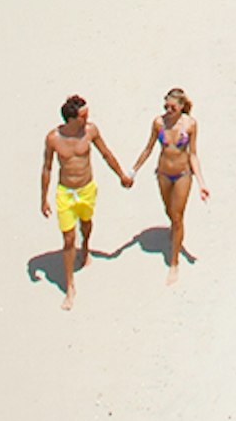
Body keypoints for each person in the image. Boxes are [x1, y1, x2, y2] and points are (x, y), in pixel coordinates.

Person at [40, 94, 135, 307]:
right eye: (83, 116)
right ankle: (70, 286)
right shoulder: (53, 138)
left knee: (86, 223)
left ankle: (86, 246)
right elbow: (47, 168)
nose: (87, 118)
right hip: (65, 192)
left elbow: (106, 153)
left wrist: (121, 175)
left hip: (87, 189)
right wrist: (43, 199)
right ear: (71, 118)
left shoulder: (90, 131)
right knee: (67, 239)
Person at [143, 88, 206, 272]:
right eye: (166, 106)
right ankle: (175, 231)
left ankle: (174, 261)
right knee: (169, 210)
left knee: (178, 217)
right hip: (163, 173)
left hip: (183, 174)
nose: (168, 110)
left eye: (172, 107)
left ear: (181, 107)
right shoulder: (158, 123)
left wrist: (202, 184)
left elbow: (193, 154)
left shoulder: (190, 125)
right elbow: (148, 149)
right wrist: (133, 171)